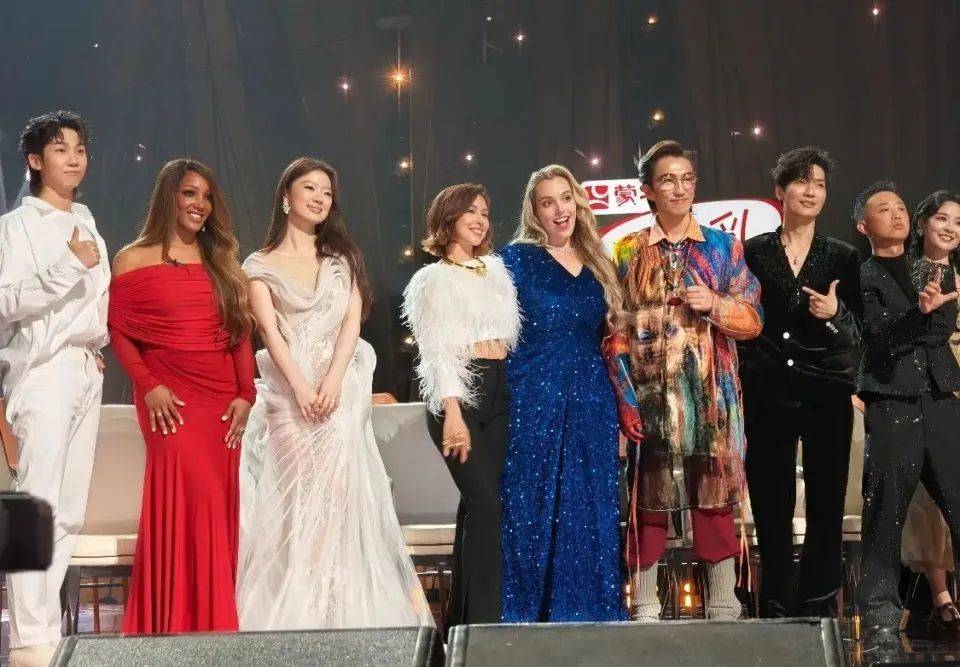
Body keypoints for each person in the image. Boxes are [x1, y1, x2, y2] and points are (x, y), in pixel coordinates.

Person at [237, 157, 432, 629]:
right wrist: (302, 387)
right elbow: (270, 334)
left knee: (340, 504)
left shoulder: (342, 260)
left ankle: (338, 613)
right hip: (290, 397)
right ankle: (299, 614)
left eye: (327, 191)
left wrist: (332, 382)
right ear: (287, 196)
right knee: (298, 504)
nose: (320, 198)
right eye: (310, 188)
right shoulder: (258, 265)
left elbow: (350, 325)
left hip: (338, 395)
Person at [608, 140, 762, 621]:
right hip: (650, 398)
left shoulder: (722, 247)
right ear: (648, 190)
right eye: (668, 180)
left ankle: (723, 604)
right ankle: (645, 605)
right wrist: (626, 399)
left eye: (687, 179)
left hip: (710, 400)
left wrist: (716, 304)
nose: (679, 188)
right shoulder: (627, 250)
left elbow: (753, 319)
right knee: (647, 502)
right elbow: (614, 332)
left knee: (714, 499)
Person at [110, 159, 255, 634]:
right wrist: (148, 385)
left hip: (221, 402)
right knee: (189, 501)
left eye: (207, 196)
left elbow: (240, 332)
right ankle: (173, 627)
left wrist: (246, 393)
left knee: (213, 507)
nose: (200, 204)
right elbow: (119, 331)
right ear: (168, 196)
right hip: (166, 397)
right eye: (190, 193)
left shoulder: (221, 260)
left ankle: (210, 629)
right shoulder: (133, 258)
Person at [0, 110, 108, 667]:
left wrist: (95, 343)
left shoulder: (86, 220)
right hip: (43, 371)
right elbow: (5, 302)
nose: (73, 158)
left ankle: (44, 633)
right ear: (35, 160)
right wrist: (68, 266)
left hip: (85, 368)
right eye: (60, 149)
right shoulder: (16, 226)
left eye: (80, 148)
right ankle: (28, 639)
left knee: (67, 512)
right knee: (35, 506)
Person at [739, 146, 863, 617]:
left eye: (820, 184)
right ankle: (775, 599)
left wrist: (836, 313)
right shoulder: (752, 252)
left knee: (827, 500)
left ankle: (818, 600)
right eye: (801, 181)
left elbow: (858, 332)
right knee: (770, 499)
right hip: (765, 391)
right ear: (780, 191)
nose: (811, 191)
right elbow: (741, 316)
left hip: (826, 391)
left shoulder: (843, 256)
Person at [499, 164, 626, 622]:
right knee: (531, 505)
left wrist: (623, 408)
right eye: (548, 202)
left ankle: (590, 618)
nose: (559, 210)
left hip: (592, 398)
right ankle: (526, 623)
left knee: (589, 505)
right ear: (534, 211)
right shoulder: (513, 260)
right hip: (533, 395)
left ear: (578, 203)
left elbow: (613, 340)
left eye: (566, 198)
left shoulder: (599, 261)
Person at [402, 183, 520, 626]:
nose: (480, 220)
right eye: (470, 211)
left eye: (485, 212)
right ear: (448, 218)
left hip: (499, 389)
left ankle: (464, 623)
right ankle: (487, 625)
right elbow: (436, 352)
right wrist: (453, 412)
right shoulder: (432, 279)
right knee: (486, 509)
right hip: (459, 395)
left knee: (476, 509)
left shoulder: (495, 270)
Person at [853, 182, 960, 650]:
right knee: (885, 510)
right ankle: (879, 614)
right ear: (864, 226)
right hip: (891, 398)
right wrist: (918, 315)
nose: (896, 214)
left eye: (900, 207)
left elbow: (940, 329)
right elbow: (877, 335)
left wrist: (925, 315)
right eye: (884, 209)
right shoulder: (862, 275)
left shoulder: (930, 268)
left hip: (940, 395)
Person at [897, 190, 960, 631]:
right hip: (923, 393)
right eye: (942, 218)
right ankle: (942, 596)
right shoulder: (901, 274)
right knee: (928, 499)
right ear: (921, 224)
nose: (950, 228)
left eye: (958, 222)